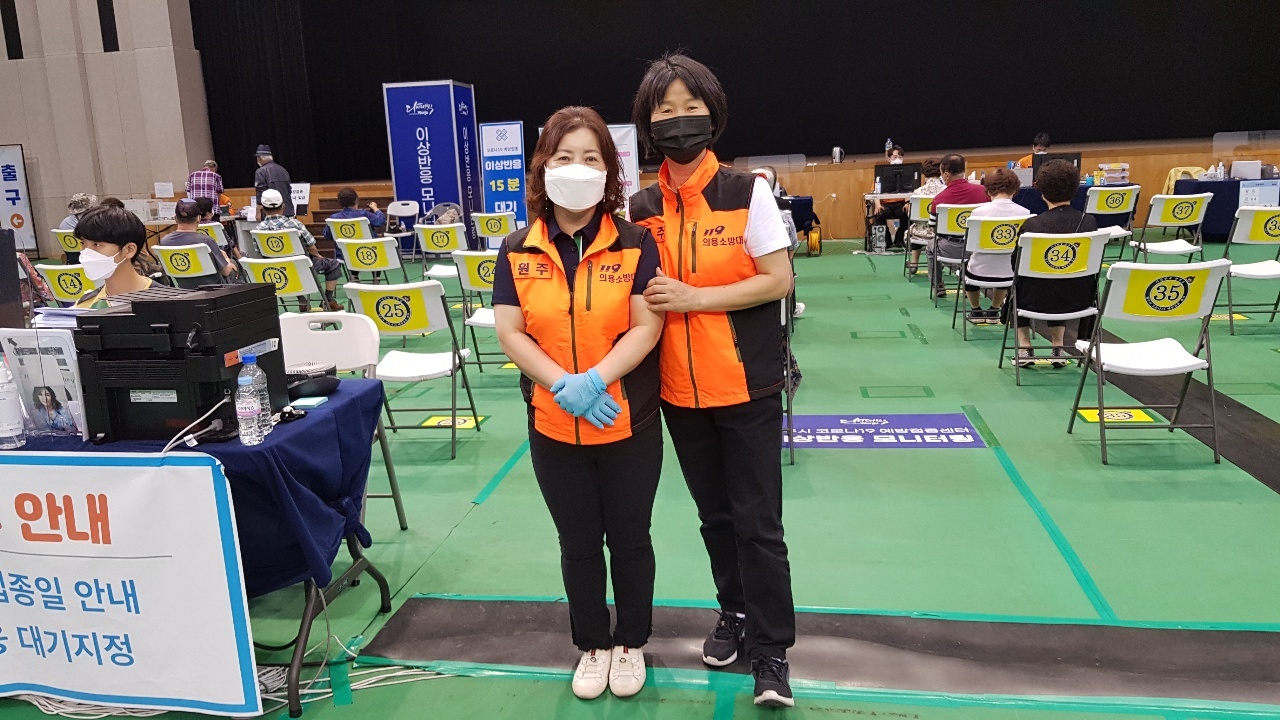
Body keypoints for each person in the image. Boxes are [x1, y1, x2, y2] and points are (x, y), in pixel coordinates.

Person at [629, 53, 797, 709]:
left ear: (712, 114)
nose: (679, 120)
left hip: (747, 386)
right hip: (678, 393)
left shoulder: (746, 192)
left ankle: (772, 651)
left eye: (690, 107)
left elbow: (777, 279)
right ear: (648, 123)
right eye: (665, 110)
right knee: (715, 517)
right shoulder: (640, 208)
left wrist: (695, 298)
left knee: (760, 524)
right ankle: (734, 610)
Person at [493, 107, 664, 701]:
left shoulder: (636, 243)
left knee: (631, 539)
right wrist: (562, 386)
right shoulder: (517, 249)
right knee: (578, 543)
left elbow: (646, 326)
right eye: (564, 157)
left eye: (591, 158)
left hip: (627, 422)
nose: (577, 168)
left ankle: (631, 642)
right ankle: (592, 644)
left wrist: (595, 380)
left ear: (609, 171)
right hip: (554, 424)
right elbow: (511, 331)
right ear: (543, 167)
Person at [1013, 159, 1099, 368]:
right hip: (1080, 300)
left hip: (1034, 301)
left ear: (1041, 191)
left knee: (1020, 285)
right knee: (1061, 280)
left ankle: (1024, 346)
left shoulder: (1032, 225)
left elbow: (1016, 266)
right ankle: (1058, 346)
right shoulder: (1089, 222)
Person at [255, 189, 342, 311]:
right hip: (301, 267)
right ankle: (329, 299)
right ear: (283, 206)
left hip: (275, 270)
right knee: (333, 264)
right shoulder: (295, 224)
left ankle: (302, 300)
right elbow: (311, 246)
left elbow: (259, 251)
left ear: (263, 209)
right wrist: (318, 255)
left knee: (290, 269)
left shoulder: (258, 229)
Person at [961, 168, 1028, 320]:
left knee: (966, 268)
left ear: (988, 190)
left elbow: (968, 245)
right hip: (1011, 273)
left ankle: (976, 311)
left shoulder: (978, 213)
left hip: (978, 272)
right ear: (1015, 190)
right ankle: (994, 310)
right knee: (1004, 265)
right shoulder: (1025, 213)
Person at [72, 205, 157, 308]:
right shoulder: (84, 306)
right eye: (83, 244)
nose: (87, 253)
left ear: (129, 250)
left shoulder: (166, 303)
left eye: (97, 244)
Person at [929, 153, 990, 298]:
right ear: (964, 169)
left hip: (951, 249)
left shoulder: (939, 199)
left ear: (946, 175)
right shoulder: (984, 192)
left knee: (931, 246)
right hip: (978, 248)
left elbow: (933, 228)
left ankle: (938, 286)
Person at [159, 198, 236, 287]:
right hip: (213, 290)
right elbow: (226, 272)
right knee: (232, 263)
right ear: (199, 218)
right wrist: (226, 259)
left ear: (175, 218)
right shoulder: (207, 241)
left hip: (181, 289)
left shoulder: (165, 241)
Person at [905, 158, 945, 275]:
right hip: (940, 232)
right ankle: (939, 262)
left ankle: (914, 263)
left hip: (920, 233)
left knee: (915, 227)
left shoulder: (918, 192)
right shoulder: (946, 190)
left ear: (924, 173)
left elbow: (911, 216)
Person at [870, 144, 909, 249]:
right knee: (879, 213)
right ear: (889, 159)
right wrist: (877, 204)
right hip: (885, 204)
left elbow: (910, 191)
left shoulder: (906, 174)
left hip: (900, 204)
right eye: (895, 157)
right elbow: (875, 192)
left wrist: (907, 203)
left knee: (908, 213)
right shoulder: (880, 174)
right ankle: (886, 240)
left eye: (900, 157)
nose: (897, 159)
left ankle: (899, 239)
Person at [254, 145, 294, 216]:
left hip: (271, 212)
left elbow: (260, 192)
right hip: (288, 211)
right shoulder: (283, 170)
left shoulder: (261, 171)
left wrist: (258, 211)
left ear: (260, 158)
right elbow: (289, 191)